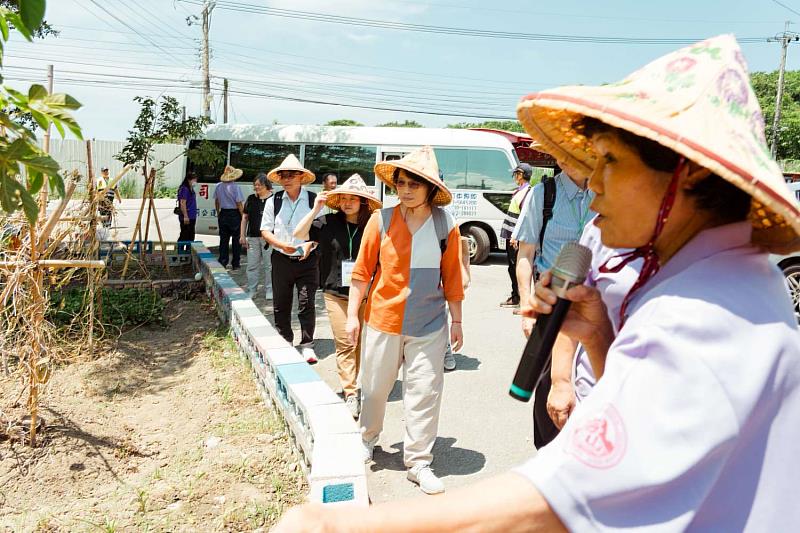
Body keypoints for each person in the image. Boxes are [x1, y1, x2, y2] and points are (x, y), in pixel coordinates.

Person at [273, 35, 800, 532]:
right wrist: (597, 338)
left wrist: (336, 523)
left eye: (610, 163)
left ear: (688, 173)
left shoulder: (708, 311)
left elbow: (566, 499)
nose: (592, 186)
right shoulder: (710, 277)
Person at [347, 146, 464, 495]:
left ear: (430, 187)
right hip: (383, 319)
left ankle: (418, 462)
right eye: (401, 182)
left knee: (424, 392)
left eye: (415, 182)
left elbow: (453, 278)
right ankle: (367, 439)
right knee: (375, 388)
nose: (407, 189)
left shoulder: (447, 225)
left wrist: (457, 322)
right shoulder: (379, 220)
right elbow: (361, 273)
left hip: (429, 325)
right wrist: (353, 316)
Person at [512, 157, 595, 449]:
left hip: (596, 303)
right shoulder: (542, 194)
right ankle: (549, 455)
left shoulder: (606, 192)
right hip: (552, 304)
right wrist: (526, 307)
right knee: (551, 385)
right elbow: (525, 255)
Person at [293, 174, 382, 418]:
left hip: (366, 293)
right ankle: (350, 392)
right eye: (343, 198)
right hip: (335, 292)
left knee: (361, 343)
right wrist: (315, 209)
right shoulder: (327, 223)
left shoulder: (374, 225)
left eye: (353, 198)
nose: (347, 202)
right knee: (345, 342)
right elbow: (299, 235)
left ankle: (360, 385)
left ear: (363, 202)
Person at [260, 154, 321, 364]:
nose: (287, 179)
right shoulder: (273, 201)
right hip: (281, 259)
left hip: (307, 260)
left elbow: (322, 233)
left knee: (306, 302)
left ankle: (307, 345)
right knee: (281, 303)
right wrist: (280, 245)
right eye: (283, 175)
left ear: (301, 177)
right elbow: (265, 230)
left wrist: (310, 244)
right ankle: (285, 341)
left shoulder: (314, 200)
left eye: (291, 175)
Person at [499, 163, 533, 307]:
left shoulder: (528, 192)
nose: (515, 177)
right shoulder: (519, 191)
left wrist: (517, 236)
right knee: (511, 267)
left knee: (517, 267)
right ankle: (516, 296)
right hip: (511, 234)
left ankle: (520, 298)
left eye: (517, 174)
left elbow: (525, 217)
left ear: (522, 175)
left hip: (516, 237)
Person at [239, 173, 273, 300]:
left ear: (266, 185)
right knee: (252, 265)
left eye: (259, 185)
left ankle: (270, 290)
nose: (257, 187)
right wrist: (242, 235)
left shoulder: (273, 199)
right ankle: (252, 290)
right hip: (252, 237)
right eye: (255, 185)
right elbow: (244, 218)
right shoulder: (251, 198)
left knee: (269, 265)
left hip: (269, 238)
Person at [214, 165, 245, 270]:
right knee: (236, 240)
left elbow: (217, 201)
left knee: (223, 240)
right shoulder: (236, 187)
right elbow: (239, 204)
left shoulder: (218, 186)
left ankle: (222, 261)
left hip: (223, 214)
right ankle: (235, 264)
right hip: (234, 214)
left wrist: (219, 213)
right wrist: (243, 216)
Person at [177, 172, 198, 242]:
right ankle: (180, 250)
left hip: (192, 215)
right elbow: (183, 203)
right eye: (194, 180)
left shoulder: (191, 188)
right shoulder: (185, 189)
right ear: (189, 180)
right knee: (184, 234)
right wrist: (185, 216)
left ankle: (188, 251)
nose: (195, 182)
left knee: (190, 235)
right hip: (187, 216)